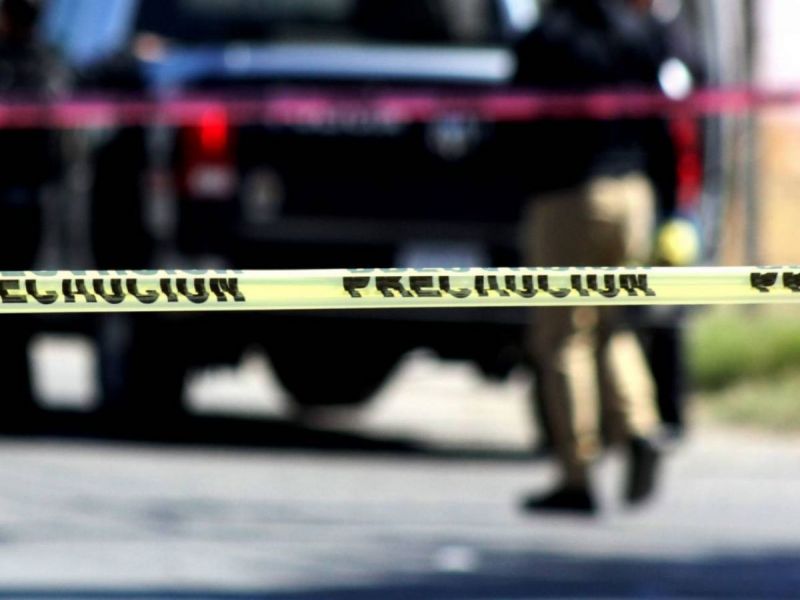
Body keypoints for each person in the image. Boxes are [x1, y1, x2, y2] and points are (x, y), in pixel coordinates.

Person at [514, 0, 668, 513]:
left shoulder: (548, 38)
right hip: (633, 194)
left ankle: (576, 474)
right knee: (615, 323)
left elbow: (516, 120)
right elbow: (663, 120)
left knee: (564, 335)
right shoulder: (637, 31)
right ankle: (641, 427)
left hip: (568, 194)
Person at [0, 0, 68, 427]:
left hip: (26, 201)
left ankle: (19, 395)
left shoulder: (44, 64)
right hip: (21, 199)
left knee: (18, 302)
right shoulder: (40, 64)